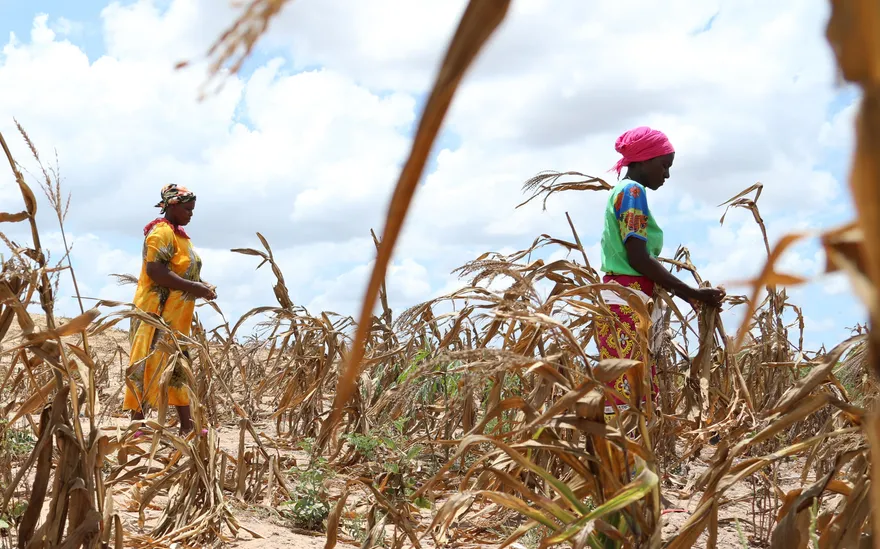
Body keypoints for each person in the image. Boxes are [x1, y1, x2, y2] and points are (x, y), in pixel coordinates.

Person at [598, 126, 725, 423]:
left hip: (624, 298)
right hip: (627, 300)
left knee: (628, 388)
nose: (666, 175)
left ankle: (628, 466)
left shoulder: (622, 192)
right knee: (629, 394)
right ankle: (626, 466)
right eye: (664, 165)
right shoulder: (632, 191)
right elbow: (638, 256)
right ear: (644, 161)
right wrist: (693, 294)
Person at [122, 184, 217, 436]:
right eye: (187, 209)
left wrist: (202, 285)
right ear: (173, 206)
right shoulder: (160, 233)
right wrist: (193, 287)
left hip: (177, 317)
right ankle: (138, 425)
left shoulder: (181, 237)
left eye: (193, 210)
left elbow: (182, 270)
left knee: (177, 365)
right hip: (155, 313)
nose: (191, 214)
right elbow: (156, 271)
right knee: (149, 362)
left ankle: (187, 426)